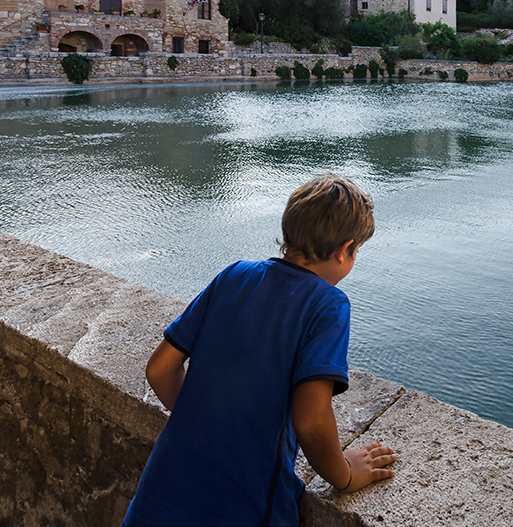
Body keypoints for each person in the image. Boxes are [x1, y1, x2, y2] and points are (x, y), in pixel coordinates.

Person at [123, 174, 397, 527]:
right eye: (357, 251)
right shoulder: (328, 305)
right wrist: (344, 475)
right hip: (244, 507)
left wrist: (211, 424)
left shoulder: (234, 275)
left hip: (157, 498)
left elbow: (159, 369)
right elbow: (312, 422)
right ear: (345, 250)